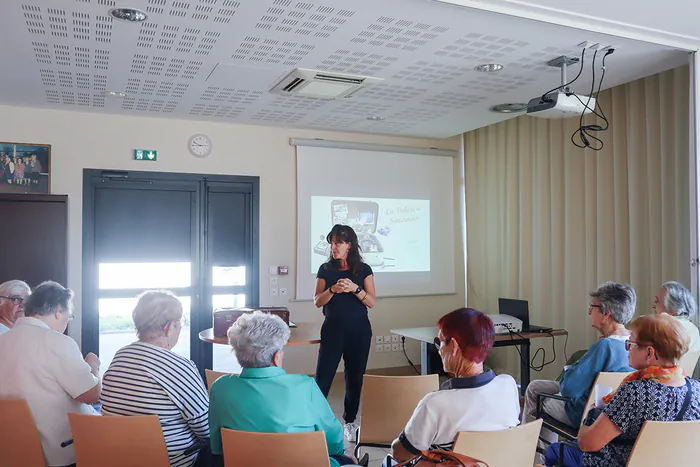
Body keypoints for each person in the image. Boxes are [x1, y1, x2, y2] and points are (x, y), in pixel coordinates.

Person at [209, 311, 364, 467]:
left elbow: (216, 446)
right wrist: (340, 453)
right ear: (276, 357)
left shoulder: (220, 387)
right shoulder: (304, 385)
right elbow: (332, 437)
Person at [545, 313, 700, 467]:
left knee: (555, 450)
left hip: (620, 462)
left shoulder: (635, 392)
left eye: (630, 344)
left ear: (649, 353)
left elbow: (588, 444)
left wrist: (589, 416)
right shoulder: (696, 390)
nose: (627, 349)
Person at [389, 308, 520, 464]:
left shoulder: (434, 404)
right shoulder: (508, 385)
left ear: (455, 347)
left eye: (440, 342)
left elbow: (400, 453)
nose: (439, 351)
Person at [523, 282, 635, 453]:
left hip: (584, 412)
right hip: (612, 410)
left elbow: (569, 389)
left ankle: (534, 453)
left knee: (539, 399)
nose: (590, 312)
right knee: (536, 386)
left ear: (606, 313)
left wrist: (577, 364)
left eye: (593, 307)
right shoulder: (634, 341)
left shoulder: (605, 346)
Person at [101, 290, 209, 467]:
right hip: (171, 462)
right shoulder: (179, 367)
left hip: (119, 458)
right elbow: (206, 429)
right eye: (180, 324)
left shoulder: (120, 356)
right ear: (169, 327)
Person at [0, 281, 100, 467]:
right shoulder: (58, 342)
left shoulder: (3, 340)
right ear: (57, 311)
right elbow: (91, 395)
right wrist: (93, 367)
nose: (66, 322)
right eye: (68, 316)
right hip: (57, 453)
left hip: (11, 450)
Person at [314, 224, 377, 442]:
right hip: (332, 330)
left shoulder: (363, 269)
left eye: (338, 242)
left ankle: (349, 423)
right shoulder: (325, 269)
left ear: (349, 245)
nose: (334, 247)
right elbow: (317, 301)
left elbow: (371, 301)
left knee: (355, 379)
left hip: (359, 332)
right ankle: (316, 422)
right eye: (332, 242)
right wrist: (332, 290)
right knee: (323, 378)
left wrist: (355, 289)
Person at [653, 281, 700, 352]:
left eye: (657, 301)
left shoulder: (663, 329)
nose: (653, 305)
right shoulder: (693, 329)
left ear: (672, 308)